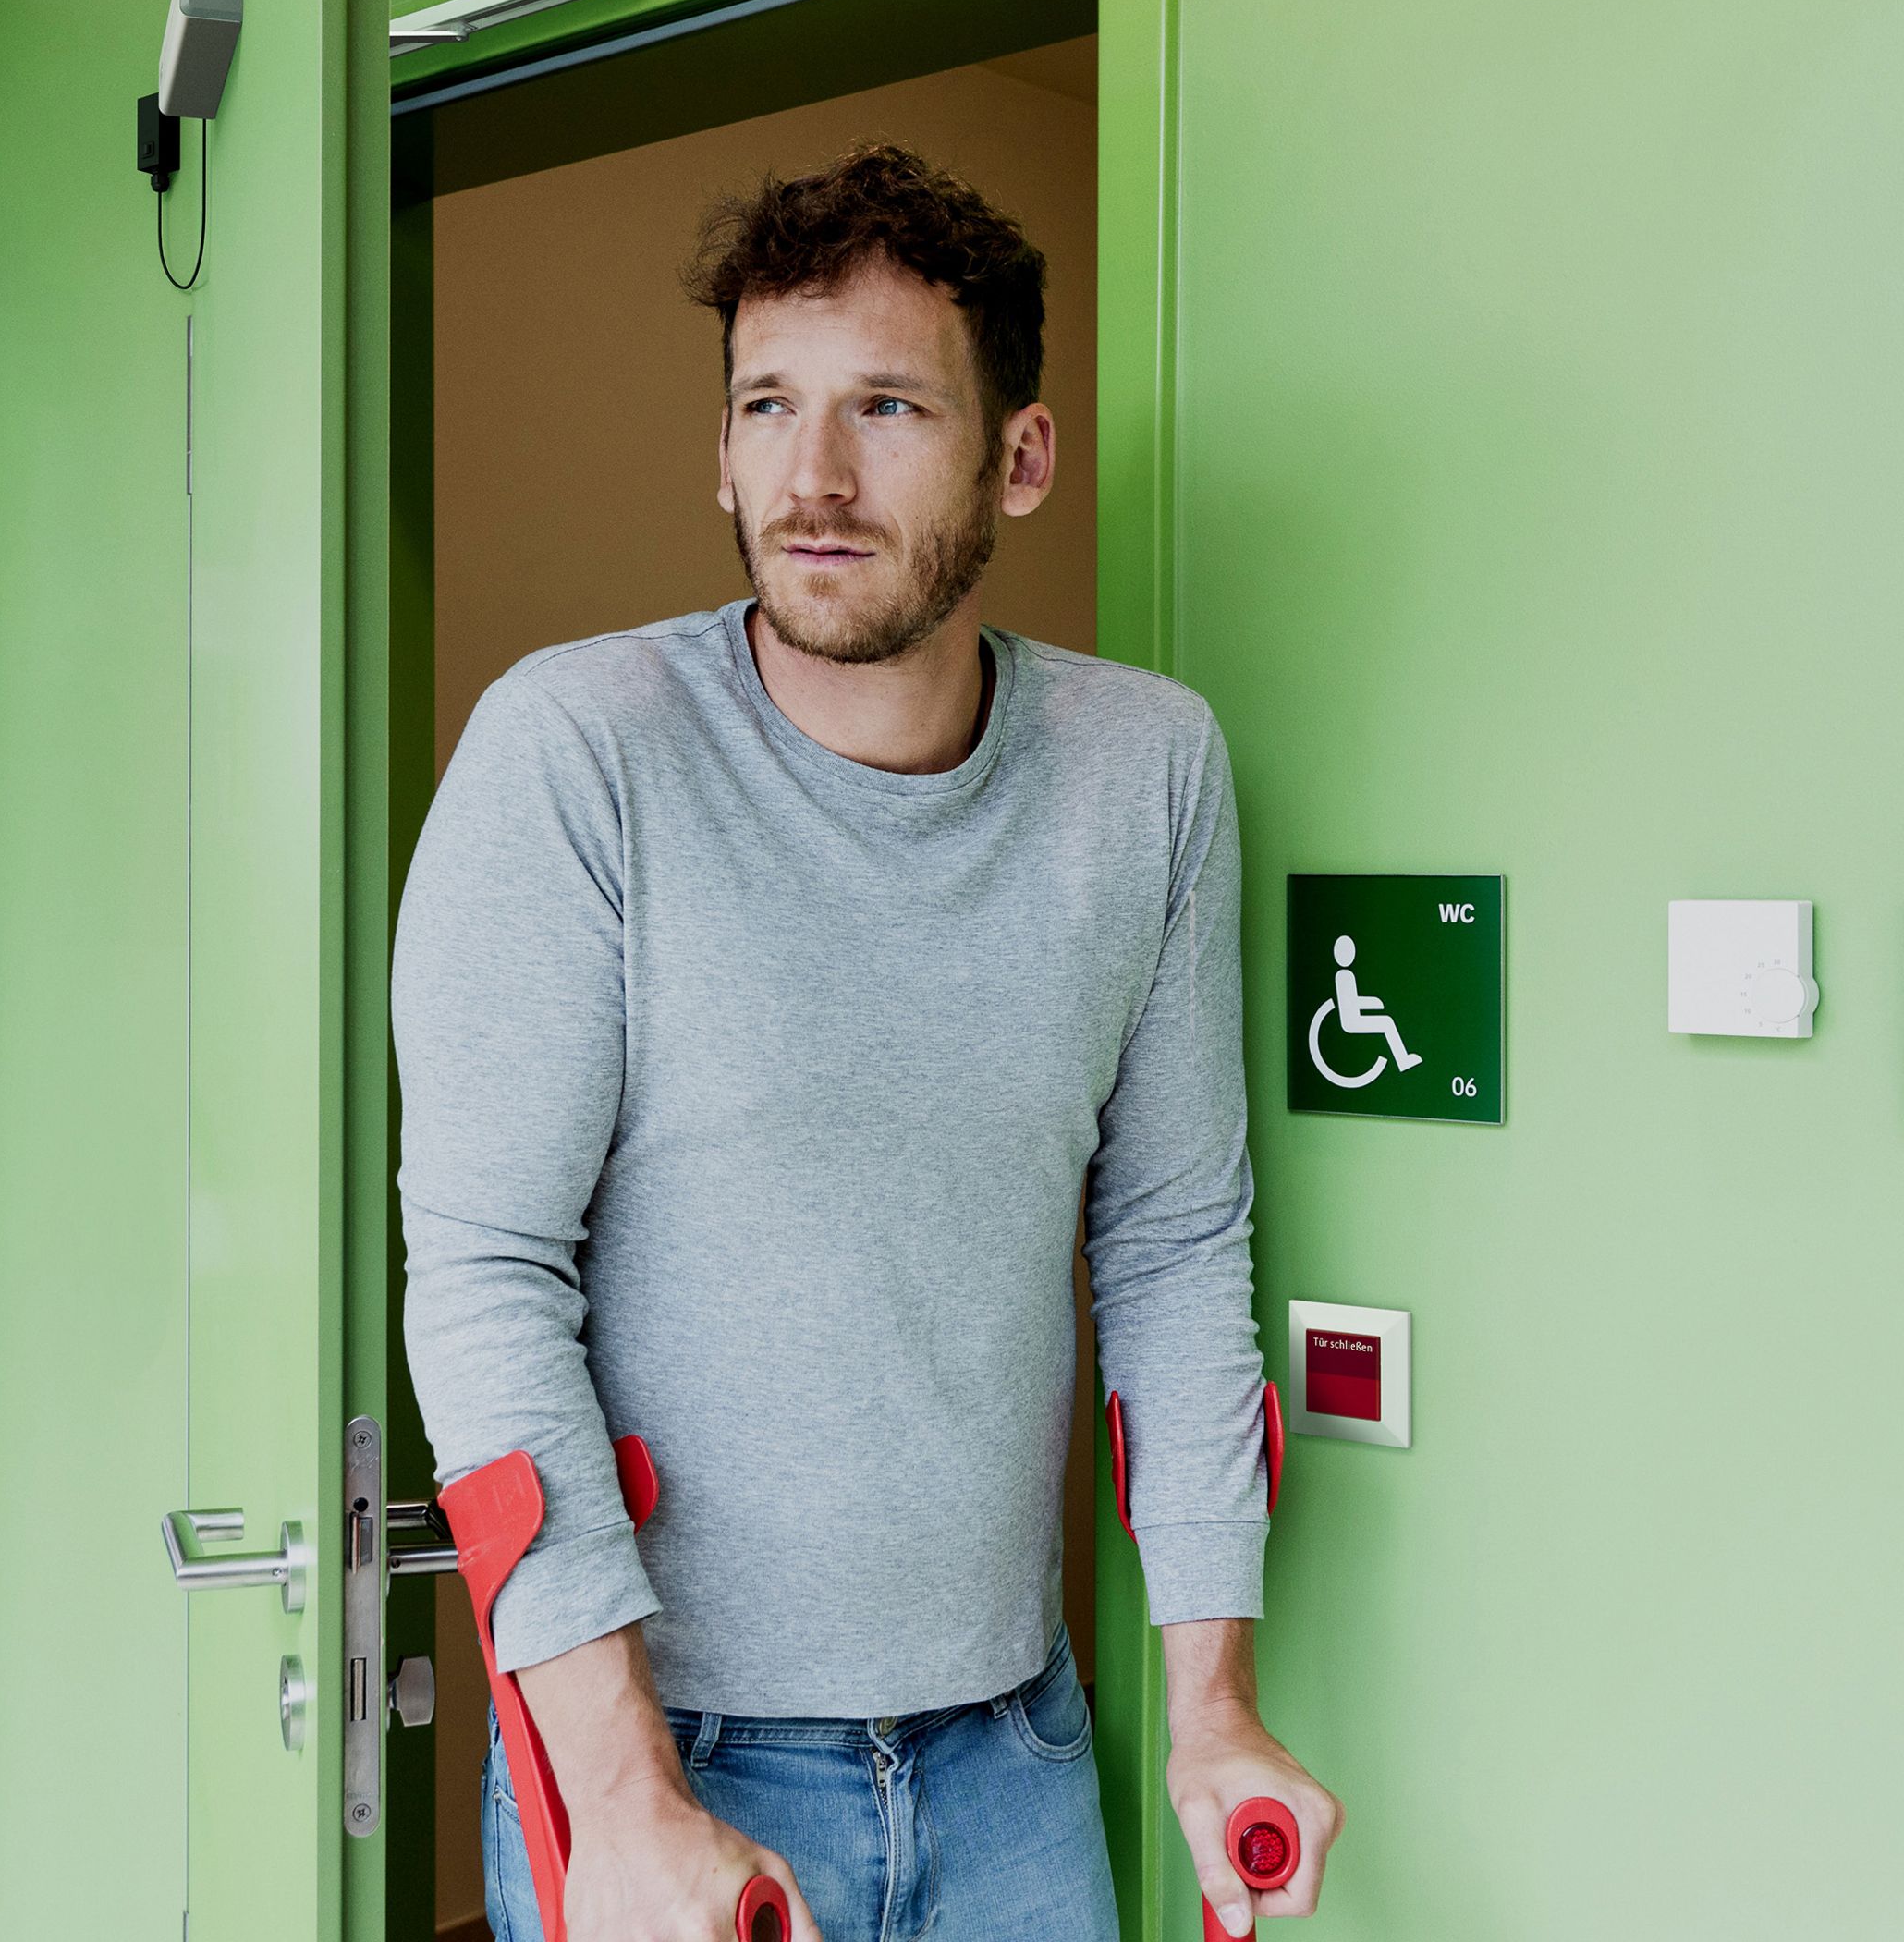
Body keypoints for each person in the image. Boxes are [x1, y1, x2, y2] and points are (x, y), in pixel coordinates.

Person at [394, 143, 1342, 1942]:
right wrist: (626, 1805)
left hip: (1014, 1757)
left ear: (1020, 457)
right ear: (722, 445)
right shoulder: (579, 751)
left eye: (887, 407)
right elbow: (487, 1278)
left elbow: (1172, 1241)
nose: (812, 476)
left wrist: (1208, 1704)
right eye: (768, 404)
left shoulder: (1145, 772)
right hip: (672, 1766)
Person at [1331, 935, 1421, 1072]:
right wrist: (1373, 1002)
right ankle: (1402, 1060)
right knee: (1386, 1022)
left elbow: (1353, 1001)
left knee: (1386, 1021)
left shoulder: (1346, 974)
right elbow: (1350, 1002)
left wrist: (1374, 1002)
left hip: (1354, 1017)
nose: (1350, 954)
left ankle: (1403, 1059)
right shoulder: (1344, 976)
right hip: (1351, 1021)